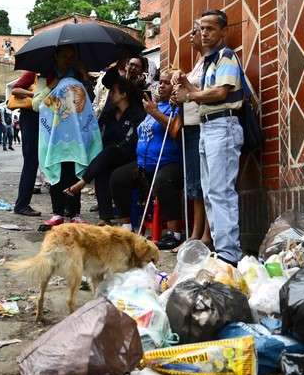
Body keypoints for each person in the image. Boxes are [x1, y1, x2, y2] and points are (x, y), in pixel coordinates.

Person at [173, 9, 244, 266]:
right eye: (201, 28)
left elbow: (220, 93)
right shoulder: (208, 62)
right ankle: (220, 248)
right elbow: (200, 93)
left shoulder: (226, 56)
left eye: (210, 29)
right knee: (211, 191)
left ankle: (229, 253)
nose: (204, 33)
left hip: (222, 125)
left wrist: (190, 95)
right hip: (208, 127)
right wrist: (186, 88)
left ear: (223, 32)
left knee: (220, 190)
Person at [110, 70, 183, 248]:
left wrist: (154, 112)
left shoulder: (176, 107)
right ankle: (127, 227)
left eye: (167, 82)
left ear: (175, 88)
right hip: (144, 163)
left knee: (163, 182)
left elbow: (174, 130)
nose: (162, 85)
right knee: (118, 178)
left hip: (168, 162)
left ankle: (174, 233)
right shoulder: (153, 105)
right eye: (161, 82)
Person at [64, 77, 145, 223]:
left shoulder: (136, 114)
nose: (110, 95)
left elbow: (131, 142)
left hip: (130, 157)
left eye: (113, 92)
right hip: (108, 159)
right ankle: (105, 217)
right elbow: (97, 134)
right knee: (102, 169)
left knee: (111, 151)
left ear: (124, 94)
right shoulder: (109, 114)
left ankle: (82, 182)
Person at [38, 44, 102, 226]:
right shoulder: (48, 76)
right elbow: (40, 105)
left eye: (71, 56)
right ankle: (57, 212)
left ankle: (74, 212)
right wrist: (54, 89)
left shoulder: (79, 76)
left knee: (75, 173)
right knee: (57, 172)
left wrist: (84, 77)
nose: (67, 59)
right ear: (56, 57)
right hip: (56, 136)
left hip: (77, 137)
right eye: (64, 56)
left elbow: (89, 102)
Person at [172, 20, 211, 250]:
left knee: (203, 182)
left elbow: (201, 91)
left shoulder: (209, 62)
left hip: (201, 125)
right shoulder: (197, 62)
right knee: (194, 183)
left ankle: (205, 234)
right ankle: (196, 232)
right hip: (189, 125)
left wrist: (185, 85)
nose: (190, 37)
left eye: (193, 32)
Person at [11, 70, 41, 216]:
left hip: (44, 121)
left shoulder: (54, 74)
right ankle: (22, 205)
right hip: (30, 120)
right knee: (31, 162)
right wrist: (33, 94)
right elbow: (15, 89)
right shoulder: (33, 73)